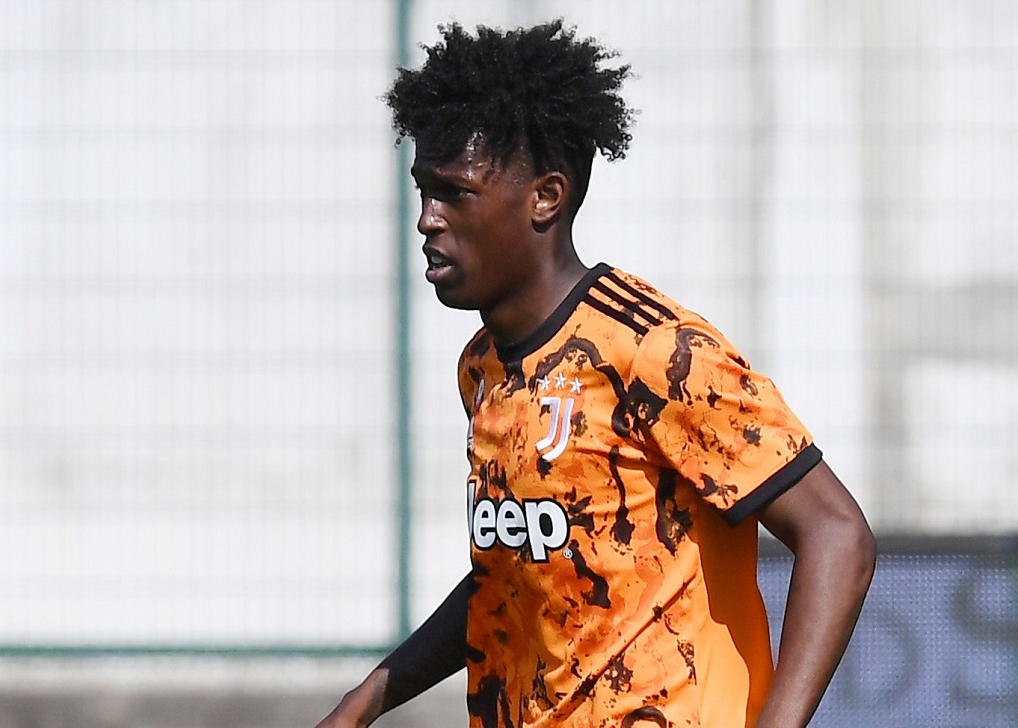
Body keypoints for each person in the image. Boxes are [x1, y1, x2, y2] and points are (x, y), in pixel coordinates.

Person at [317, 20, 876, 728]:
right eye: (423, 191)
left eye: (455, 193)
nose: (428, 219)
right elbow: (511, 575)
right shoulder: (483, 368)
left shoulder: (656, 353)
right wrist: (368, 698)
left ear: (546, 197)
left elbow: (838, 534)